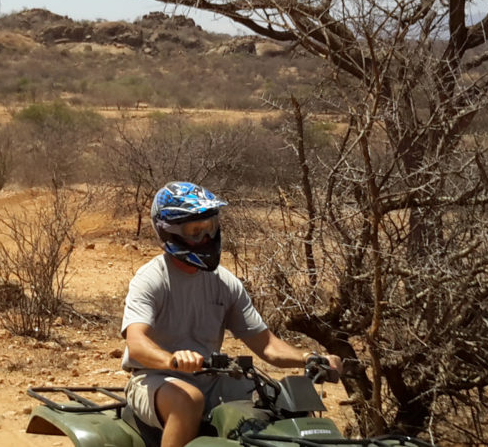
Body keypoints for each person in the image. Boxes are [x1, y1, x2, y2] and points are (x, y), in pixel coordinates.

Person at [121, 181, 343, 447]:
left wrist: (310, 357)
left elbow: (267, 345)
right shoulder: (151, 278)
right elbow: (136, 343)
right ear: (170, 232)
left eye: (210, 228)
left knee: (278, 398)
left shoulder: (225, 283)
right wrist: (172, 360)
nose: (205, 238)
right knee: (187, 400)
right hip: (155, 378)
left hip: (211, 378)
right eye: (195, 231)